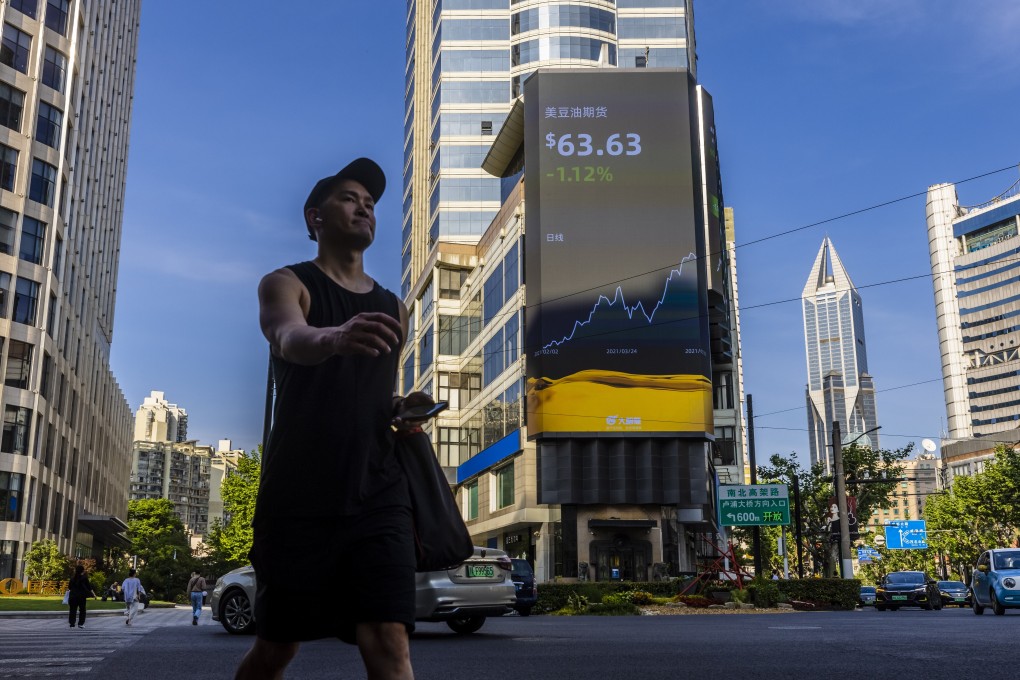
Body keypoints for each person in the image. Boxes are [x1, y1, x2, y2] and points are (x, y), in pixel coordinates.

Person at [233, 158, 432, 680]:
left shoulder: (393, 305)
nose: (364, 206)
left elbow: (370, 395)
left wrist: (400, 410)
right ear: (314, 216)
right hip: (299, 495)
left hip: (378, 491)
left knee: (389, 639)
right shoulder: (285, 283)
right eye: (349, 197)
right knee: (277, 649)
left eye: (370, 203)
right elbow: (290, 338)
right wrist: (335, 336)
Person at [67, 564, 96, 629]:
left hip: (73, 596)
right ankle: (81, 623)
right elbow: (89, 587)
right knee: (82, 610)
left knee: (72, 610)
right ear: (82, 571)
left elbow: (69, 588)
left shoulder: (72, 579)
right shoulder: (84, 578)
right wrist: (94, 595)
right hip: (81, 596)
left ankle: (72, 624)